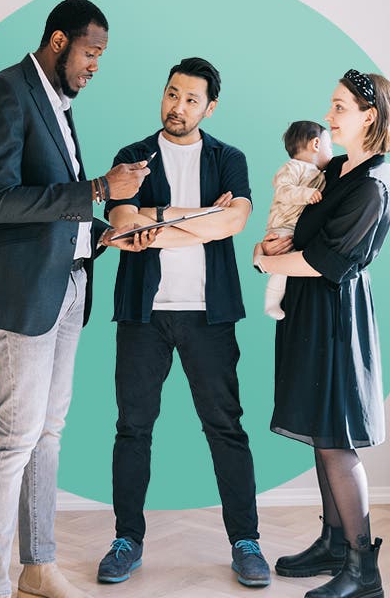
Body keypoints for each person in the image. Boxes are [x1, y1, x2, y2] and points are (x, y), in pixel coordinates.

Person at [0, 0, 156, 598]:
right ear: (57, 41)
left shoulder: (58, 104)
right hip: (23, 297)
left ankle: (37, 566)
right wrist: (100, 188)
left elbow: (54, 204)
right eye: (91, 52)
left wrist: (108, 233)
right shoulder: (6, 94)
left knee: (48, 432)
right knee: (16, 437)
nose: (96, 65)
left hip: (70, 284)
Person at [95, 57, 271, 589]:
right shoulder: (132, 156)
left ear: (209, 106)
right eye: (172, 94)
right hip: (143, 314)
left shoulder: (229, 158)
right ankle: (127, 539)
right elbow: (122, 225)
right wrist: (200, 220)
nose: (178, 106)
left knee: (226, 428)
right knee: (133, 428)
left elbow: (236, 220)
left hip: (208, 314)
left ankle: (246, 541)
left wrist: (160, 219)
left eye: (192, 99)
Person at [253, 70, 390, 598]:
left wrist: (260, 257)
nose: (330, 115)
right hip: (311, 315)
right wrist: (275, 245)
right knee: (322, 433)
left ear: (370, 116)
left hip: (337, 320)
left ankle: (364, 570)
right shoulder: (339, 168)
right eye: (332, 105)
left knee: (337, 441)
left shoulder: (374, 184)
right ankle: (335, 543)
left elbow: (327, 261)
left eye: (340, 107)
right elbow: (299, 223)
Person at [263, 120, 333, 320]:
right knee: (283, 267)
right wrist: (305, 194)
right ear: (316, 144)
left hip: (296, 227)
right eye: (330, 146)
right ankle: (271, 303)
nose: (332, 152)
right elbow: (283, 190)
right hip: (283, 225)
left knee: (292, 265)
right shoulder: (293, 167)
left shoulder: (320, 173)